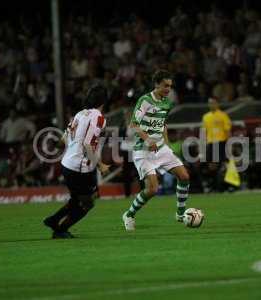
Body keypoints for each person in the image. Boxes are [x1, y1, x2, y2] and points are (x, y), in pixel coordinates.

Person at [122, 70, 190, 231]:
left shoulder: (167, 102)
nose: (168, 89)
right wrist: (147, 139)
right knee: (152, 189)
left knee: (184, 176)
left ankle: (180, 214)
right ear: (156, 84)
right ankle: (129, 214)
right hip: (142, 150)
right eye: (165, 85)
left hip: (161, 148)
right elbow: (133, 125)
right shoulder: (144, 100)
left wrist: (167, 146)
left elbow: (163, 124)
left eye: (170, 86)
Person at [43, 84, 110, 238]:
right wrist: (100, 165)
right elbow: (87, 144)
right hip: (79, 168)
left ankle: (53, 220)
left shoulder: (80, 114)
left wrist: (57, 146)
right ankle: (60, 229)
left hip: (66, 164)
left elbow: (64, 139)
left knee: (77, 198)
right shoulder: (99, 117)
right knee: (88, 202)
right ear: (104, 101)